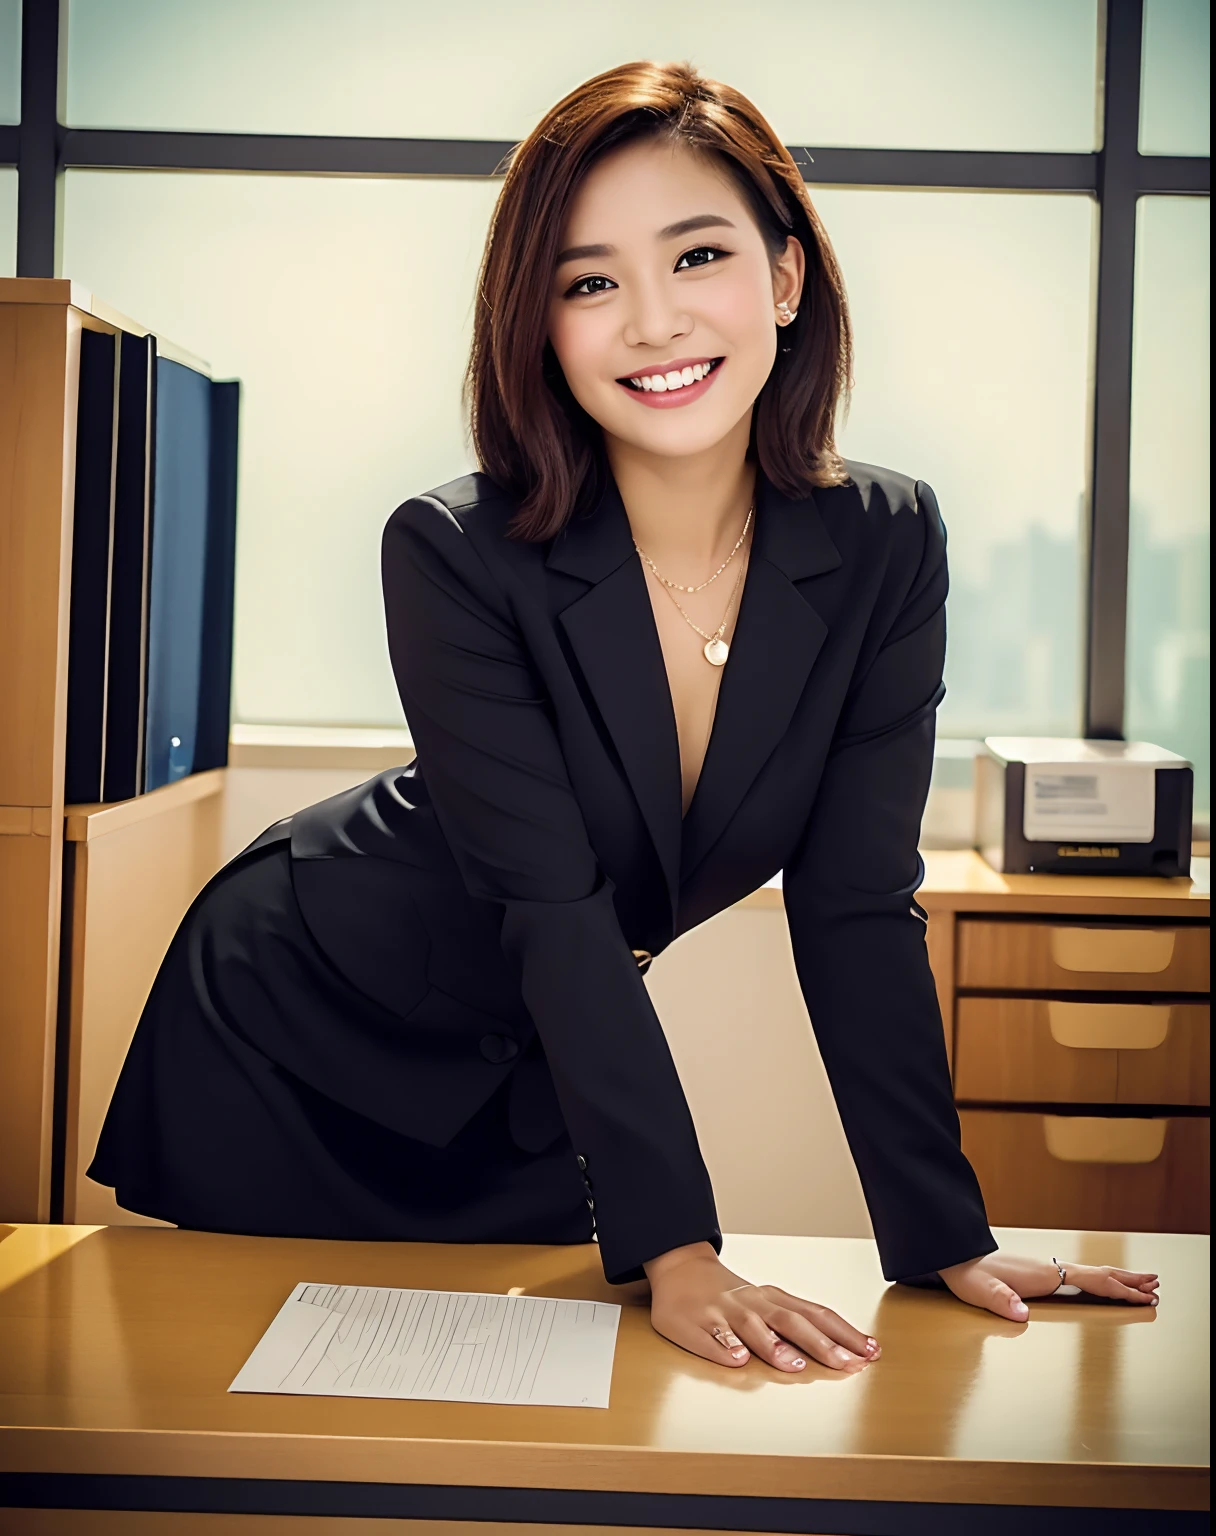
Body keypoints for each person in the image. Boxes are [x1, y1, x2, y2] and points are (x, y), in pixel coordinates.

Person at [90, 61, 1159, 1374]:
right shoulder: (453, 548)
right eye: (590, 281)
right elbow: (552, 906)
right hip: (300, 1015)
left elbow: (856, 906)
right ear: (539, 325)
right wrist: (685, 1244)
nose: (651, 322)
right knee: (238, 1398)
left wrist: (943, 1232)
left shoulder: (886, 542)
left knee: (537, 1435)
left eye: (696, 256)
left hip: (537, 1060)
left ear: (783, 276)